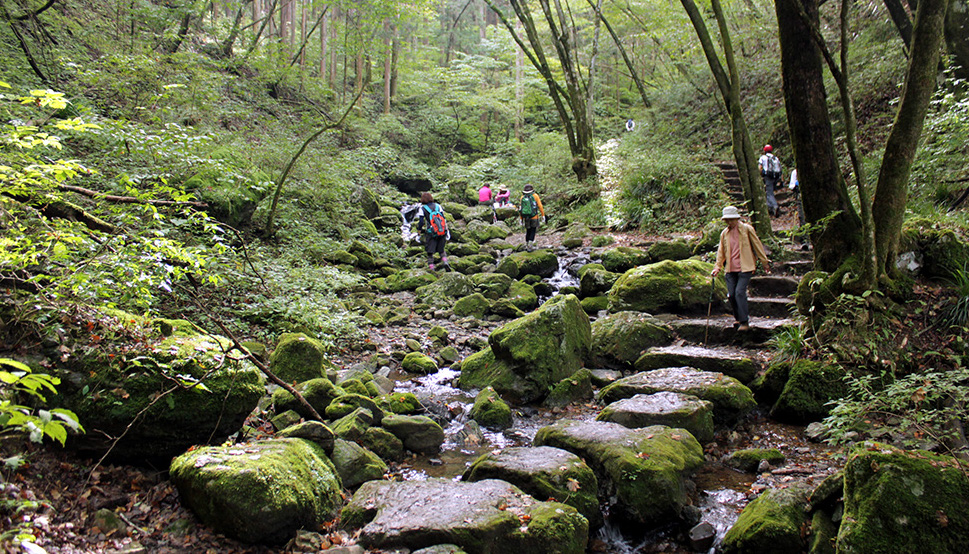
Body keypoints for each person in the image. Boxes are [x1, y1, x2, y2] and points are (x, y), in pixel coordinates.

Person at [711, 206, 771, 331]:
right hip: (730, 269)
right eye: (727, 220)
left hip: (745, 267)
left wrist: (764, 262)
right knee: (731, 295)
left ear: (737, 218)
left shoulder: (747, 229)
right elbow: (721, 252)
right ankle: (738, 318)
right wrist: (717, 267)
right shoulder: (724, 233)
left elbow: (757, 245)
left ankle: (744, 322)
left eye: (731, 220)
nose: (729, 222)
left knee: (739, 293)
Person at [416, 192, 450, 271]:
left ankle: (432, 268)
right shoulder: (438, 206)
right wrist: (446, 230)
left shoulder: (423, 208)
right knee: (441, 250)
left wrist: (419, 231)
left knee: (430, 252)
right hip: (441, 230)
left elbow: (421, 221)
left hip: (431, 232)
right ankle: (445, 262)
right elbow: (443, 218)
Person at [758, 144, 783, 217]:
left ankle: (775, 206)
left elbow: (760, 167)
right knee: (769, 192)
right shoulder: (775, 158)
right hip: (775, 177)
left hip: (768, 176)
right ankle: (770, 208)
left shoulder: (763, 157)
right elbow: (780, 168)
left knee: (769, 193)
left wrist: (760, 175)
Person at [519, 184, 546, 250]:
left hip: (526, 217)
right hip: (534, 216)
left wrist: (521, 219)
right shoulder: (535, 196)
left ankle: (527, 243)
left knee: (528, 230)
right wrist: (543, 215)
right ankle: (530, 244)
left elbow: (520, 209)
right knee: (533, 230)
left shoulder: (522, 197)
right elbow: (540, 206)